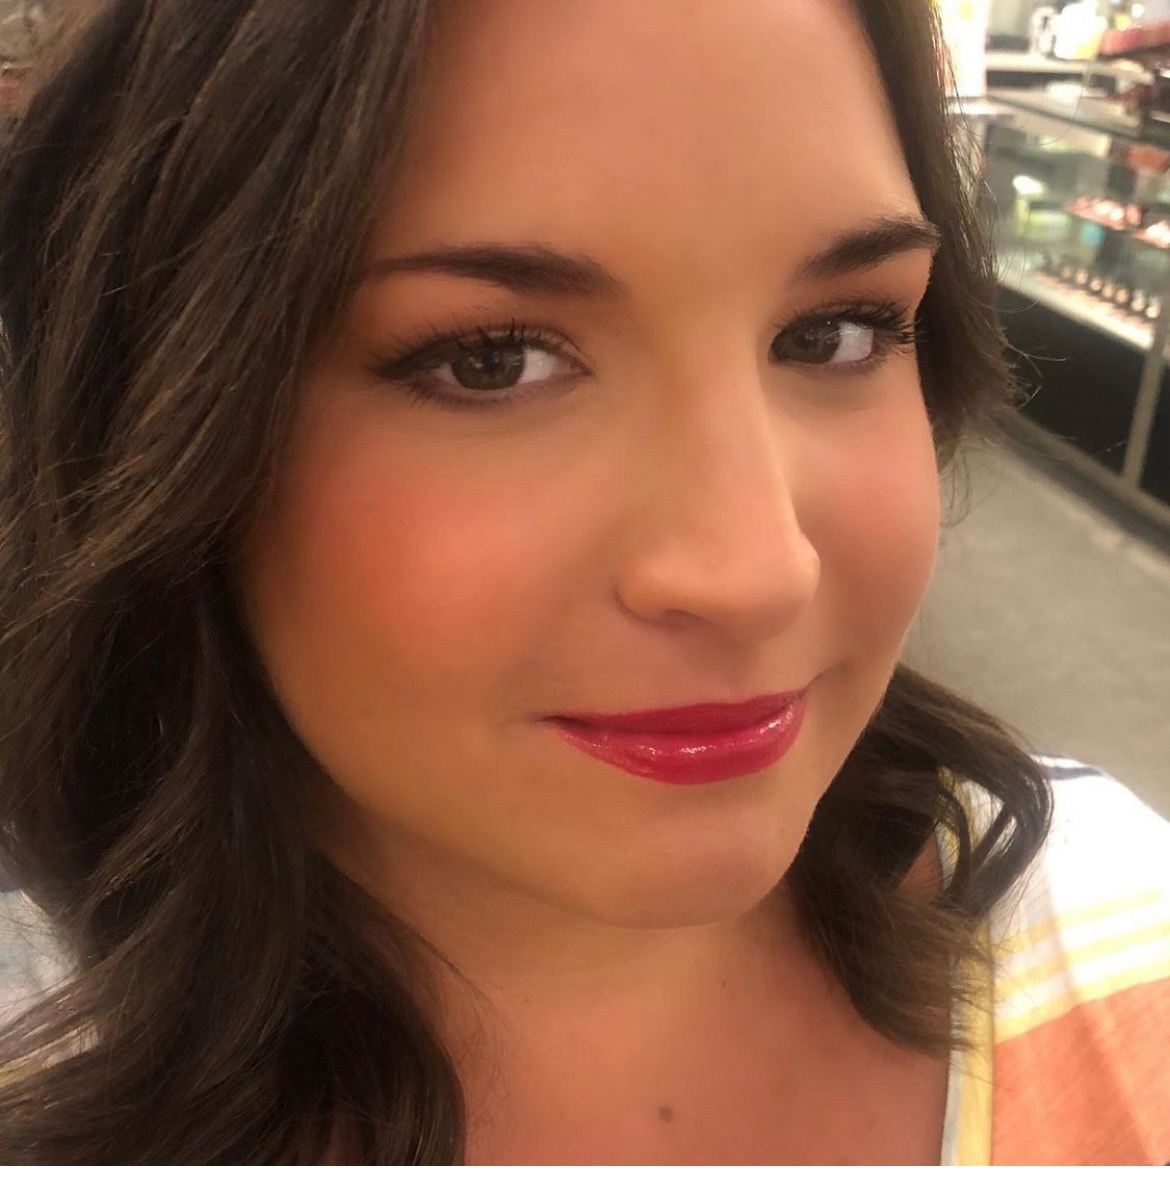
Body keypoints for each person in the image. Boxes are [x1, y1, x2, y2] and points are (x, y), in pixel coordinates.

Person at [0, 0, 1166, 1164]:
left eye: (835, 333)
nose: (759, 570)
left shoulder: (1123, 933)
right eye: (492, 360)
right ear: (154, 417)